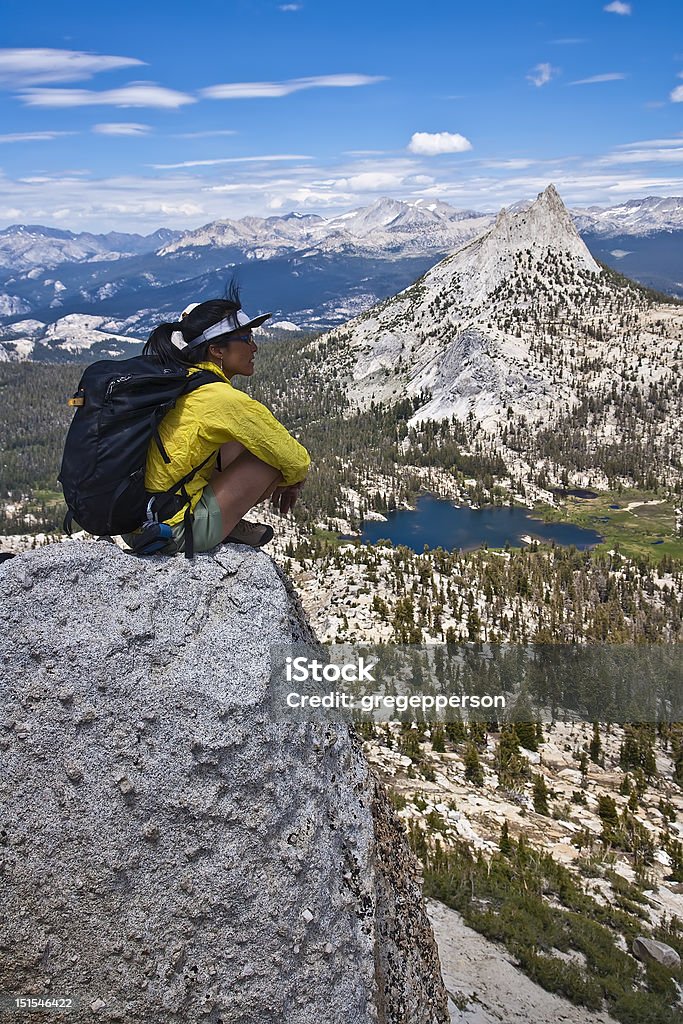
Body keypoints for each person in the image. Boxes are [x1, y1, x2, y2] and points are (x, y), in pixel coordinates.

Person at [134, 286, 310, 553]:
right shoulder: (221, 399)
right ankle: (223, 526)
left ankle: (223, 521)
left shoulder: (182, 379)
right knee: (270, 459)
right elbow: (295, 458)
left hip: (138, 523)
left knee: (239, 442)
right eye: (246, 338)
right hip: (171, 532)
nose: (255, 347)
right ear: (217, 350)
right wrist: (293, 481)